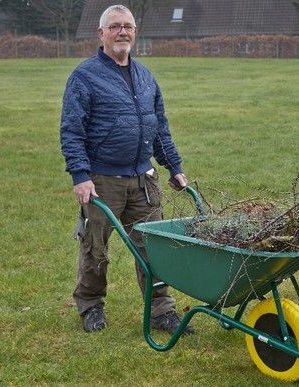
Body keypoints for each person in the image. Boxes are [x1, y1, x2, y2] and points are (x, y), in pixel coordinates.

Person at [60, 5, 193, 334]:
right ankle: (90, 305)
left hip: (143, 178)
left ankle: (161, 310)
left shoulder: (146, 76)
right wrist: (80, 176)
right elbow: (72, 131)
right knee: (96, 246)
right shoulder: (84, 77)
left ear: (135, 32)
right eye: (115, 26)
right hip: (102, 180)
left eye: (128, 27)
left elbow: (158, 128)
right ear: (101, 34)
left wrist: (173, 167)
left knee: (154, 246)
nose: (122, 32)